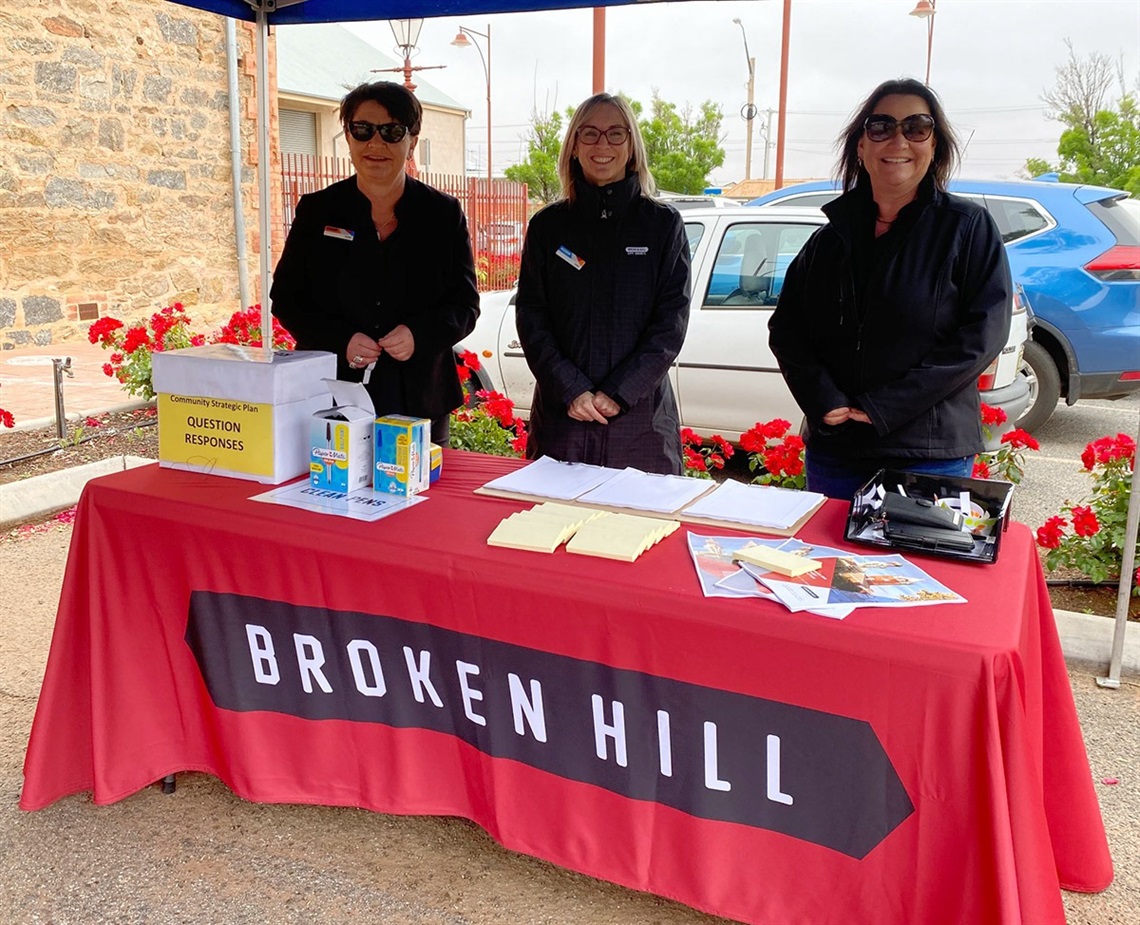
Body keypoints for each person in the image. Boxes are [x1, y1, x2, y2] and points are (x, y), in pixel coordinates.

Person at [768, 78, 1012, 500]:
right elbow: (788, 330)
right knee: (828, 566)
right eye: (881, 126)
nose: (897, 139)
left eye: (916, 127)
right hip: (836, 450)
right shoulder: (829, 239)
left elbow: (982, 335)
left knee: (912, 568)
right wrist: (823, 399)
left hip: (928, 453)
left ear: (934, 145)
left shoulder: (967, 228)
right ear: (861, 147)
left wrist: (885, 407)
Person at [270, 81, 479, 445]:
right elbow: (287, 298)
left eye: (392, 131)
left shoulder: (442, 214)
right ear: (348, 137)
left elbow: (465, 305)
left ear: (412, 141)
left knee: (422, 498)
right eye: (363, 130)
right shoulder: (318, 210)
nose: (376, 144)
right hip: (332, 394)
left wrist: (419, 335)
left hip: (421, 399)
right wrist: (341, 340)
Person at [514, 93, 691, 475]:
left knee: (641, 530)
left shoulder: (662, 225)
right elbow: (532, 317)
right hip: (564, 422)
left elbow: (670, 325)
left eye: (615, 134)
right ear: (574, 146)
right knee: (551, 528)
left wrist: (618, 394)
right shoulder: (548, 227)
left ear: (632, 147)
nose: (602, 145)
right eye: (590, 134)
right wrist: (571, 389)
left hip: (641, 428)